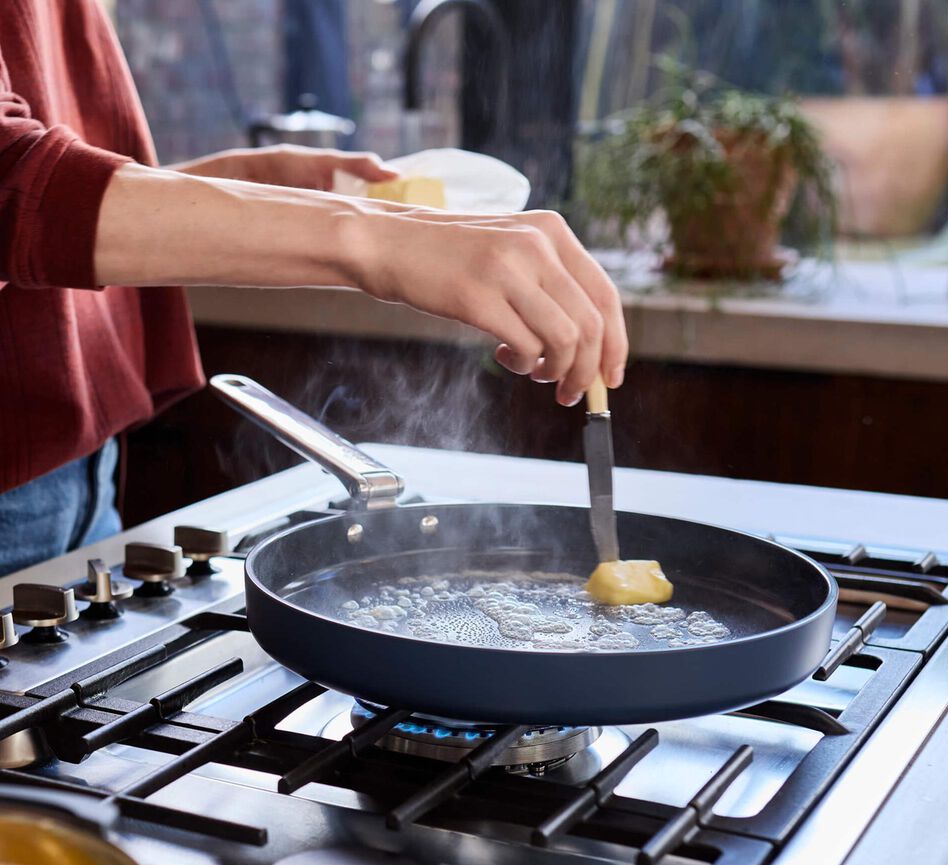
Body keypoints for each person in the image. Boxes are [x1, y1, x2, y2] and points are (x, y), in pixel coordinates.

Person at [0, 1, 628, 577]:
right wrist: (374, 239)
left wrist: (234, 184)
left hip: (81, 467)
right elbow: (13, 185)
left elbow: (42, 215)